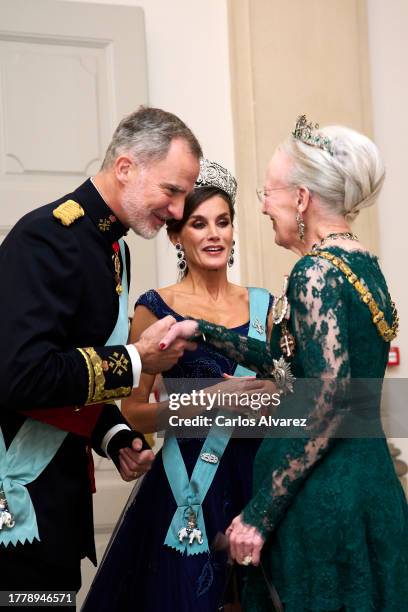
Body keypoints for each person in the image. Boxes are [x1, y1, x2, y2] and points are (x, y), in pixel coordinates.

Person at [160, 116, 408, 611]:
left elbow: (329, 400)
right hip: (368, 486)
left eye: (269, 192)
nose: (263, 205)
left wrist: (260, 514)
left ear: (300, 198)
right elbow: (294, 364)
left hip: (324, 503)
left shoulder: (314, 273)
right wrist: (201, 331)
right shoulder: (362, 264)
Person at [0, 106, 202, 595]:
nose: (178, 211)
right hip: (18, 508)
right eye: (171, 191)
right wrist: (138, 360)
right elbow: (20, 375)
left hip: (57, 504)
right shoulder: (46, 237)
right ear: (126, 167)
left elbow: (72, 370)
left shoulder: (114, 247)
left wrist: (111, 433)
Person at [82, 159, 274, 612]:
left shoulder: (266, 306)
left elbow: (294, 395)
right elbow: (130, 412)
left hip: (257, 477)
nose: (213, 235)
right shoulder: (156, 308)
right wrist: (204, 404)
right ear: (175, 236)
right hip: (187, 483)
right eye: (198, 223)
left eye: (223, 223)